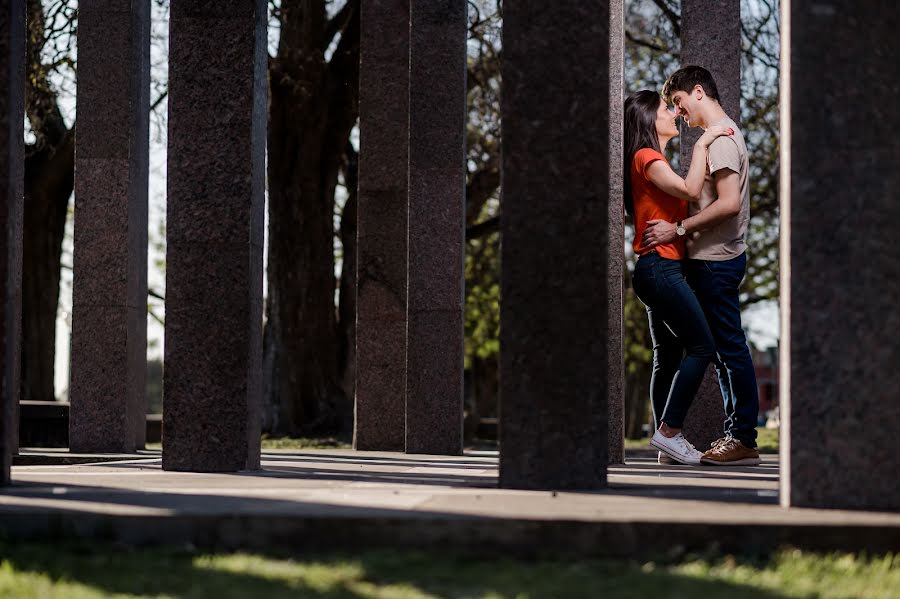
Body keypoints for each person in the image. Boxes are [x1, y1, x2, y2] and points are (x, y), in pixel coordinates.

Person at [642, 65, 761, 466]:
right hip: (709, 261)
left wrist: (677, 228)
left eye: (679, 103)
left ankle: (743, 436)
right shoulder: (714, 140)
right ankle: (732, 434)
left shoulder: (722, 140)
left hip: (716, 262)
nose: (680, 113)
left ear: (697, 92)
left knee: (729, 348)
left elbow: (728, 204)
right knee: (721, 352)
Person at [624, 89, 732, 465]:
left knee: (665, 361)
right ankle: (670, 432)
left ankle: (665, 445)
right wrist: (705, 141)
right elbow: (689, 188)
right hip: (660, 268)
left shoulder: (653, 160)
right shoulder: (647, 156)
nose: (673, 113)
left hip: (658, 269)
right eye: (665, 109)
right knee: (703, 347)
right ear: (649, 119)